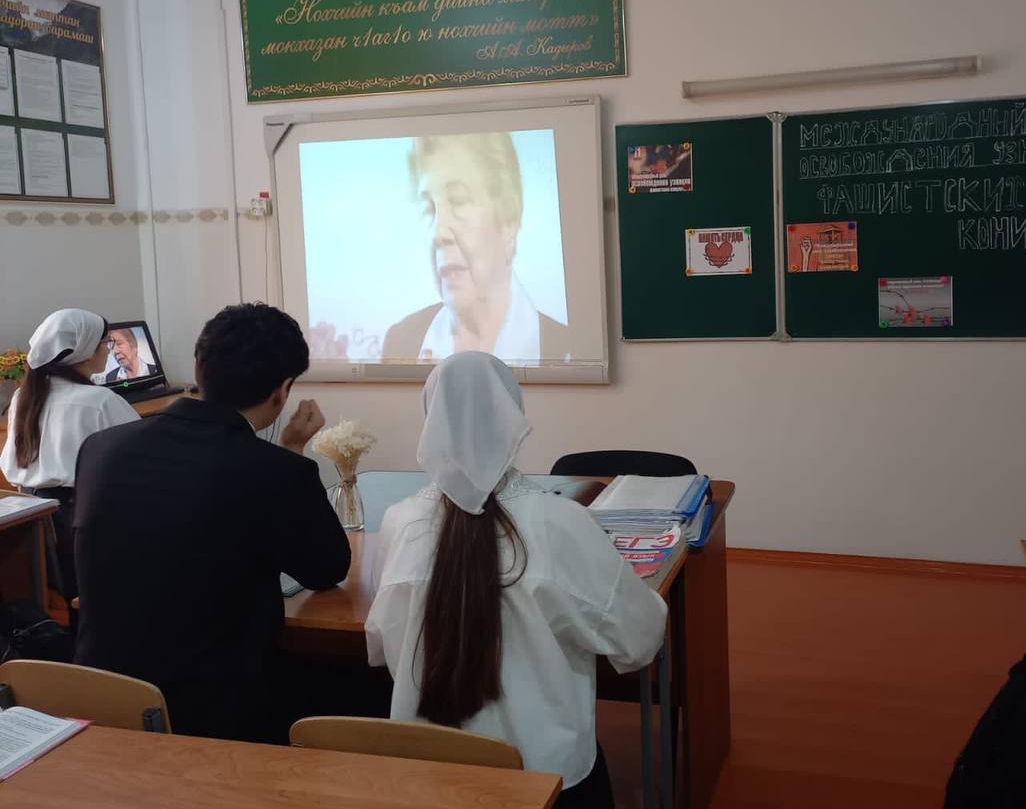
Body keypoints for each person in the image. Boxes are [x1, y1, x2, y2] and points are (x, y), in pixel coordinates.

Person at [366, 351, 667, 807]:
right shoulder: (561, 522)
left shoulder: (400, 522)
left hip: (429, 780)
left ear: (431, 422)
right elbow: (639, 638)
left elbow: (379, 645)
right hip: (549, 781)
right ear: (513, 417)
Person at [74, 303, 351, 742]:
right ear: (283, 390)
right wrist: (291, 453)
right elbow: (327, 567)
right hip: (216, 716)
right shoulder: (277, 471)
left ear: (199, 368)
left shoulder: (100, 448)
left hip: (101, 700)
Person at [380, 133, 571, 363]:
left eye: (459, 200)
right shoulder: (401, 343)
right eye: (429, 209)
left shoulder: (567, 349)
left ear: (509, 221)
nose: (438, 233)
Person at [1, 309, 138, 602]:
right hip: (88, 524)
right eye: (105, 342)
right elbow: (141, 459)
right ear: (85, 350)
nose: (108, 350)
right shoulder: (100, 401)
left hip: (35, 525)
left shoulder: (23, 397)